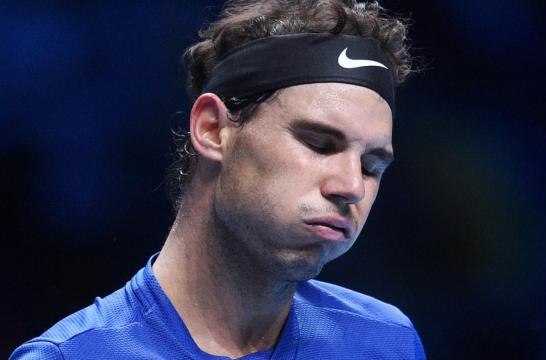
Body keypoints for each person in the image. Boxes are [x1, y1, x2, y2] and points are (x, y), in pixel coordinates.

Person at [11, 0, 425, 358]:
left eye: (372, 166)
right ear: (212, 129)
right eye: (318, 144)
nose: (351, 185)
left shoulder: (387, 343)